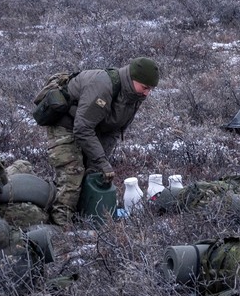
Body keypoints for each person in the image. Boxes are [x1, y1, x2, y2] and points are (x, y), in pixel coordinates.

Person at [43, 58, 160, 226]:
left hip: (89, 126)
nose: (147, 93)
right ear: (132, 79)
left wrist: (99, 162)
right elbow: (82, 128)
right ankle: (60, 227)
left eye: (151, 89)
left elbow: (114, 130)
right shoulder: (103, 86)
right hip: (65, 123)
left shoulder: (134, 96)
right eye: (145, 87)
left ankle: (82, 217)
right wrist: (101, 161)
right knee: (72, 173)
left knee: (93, 172)